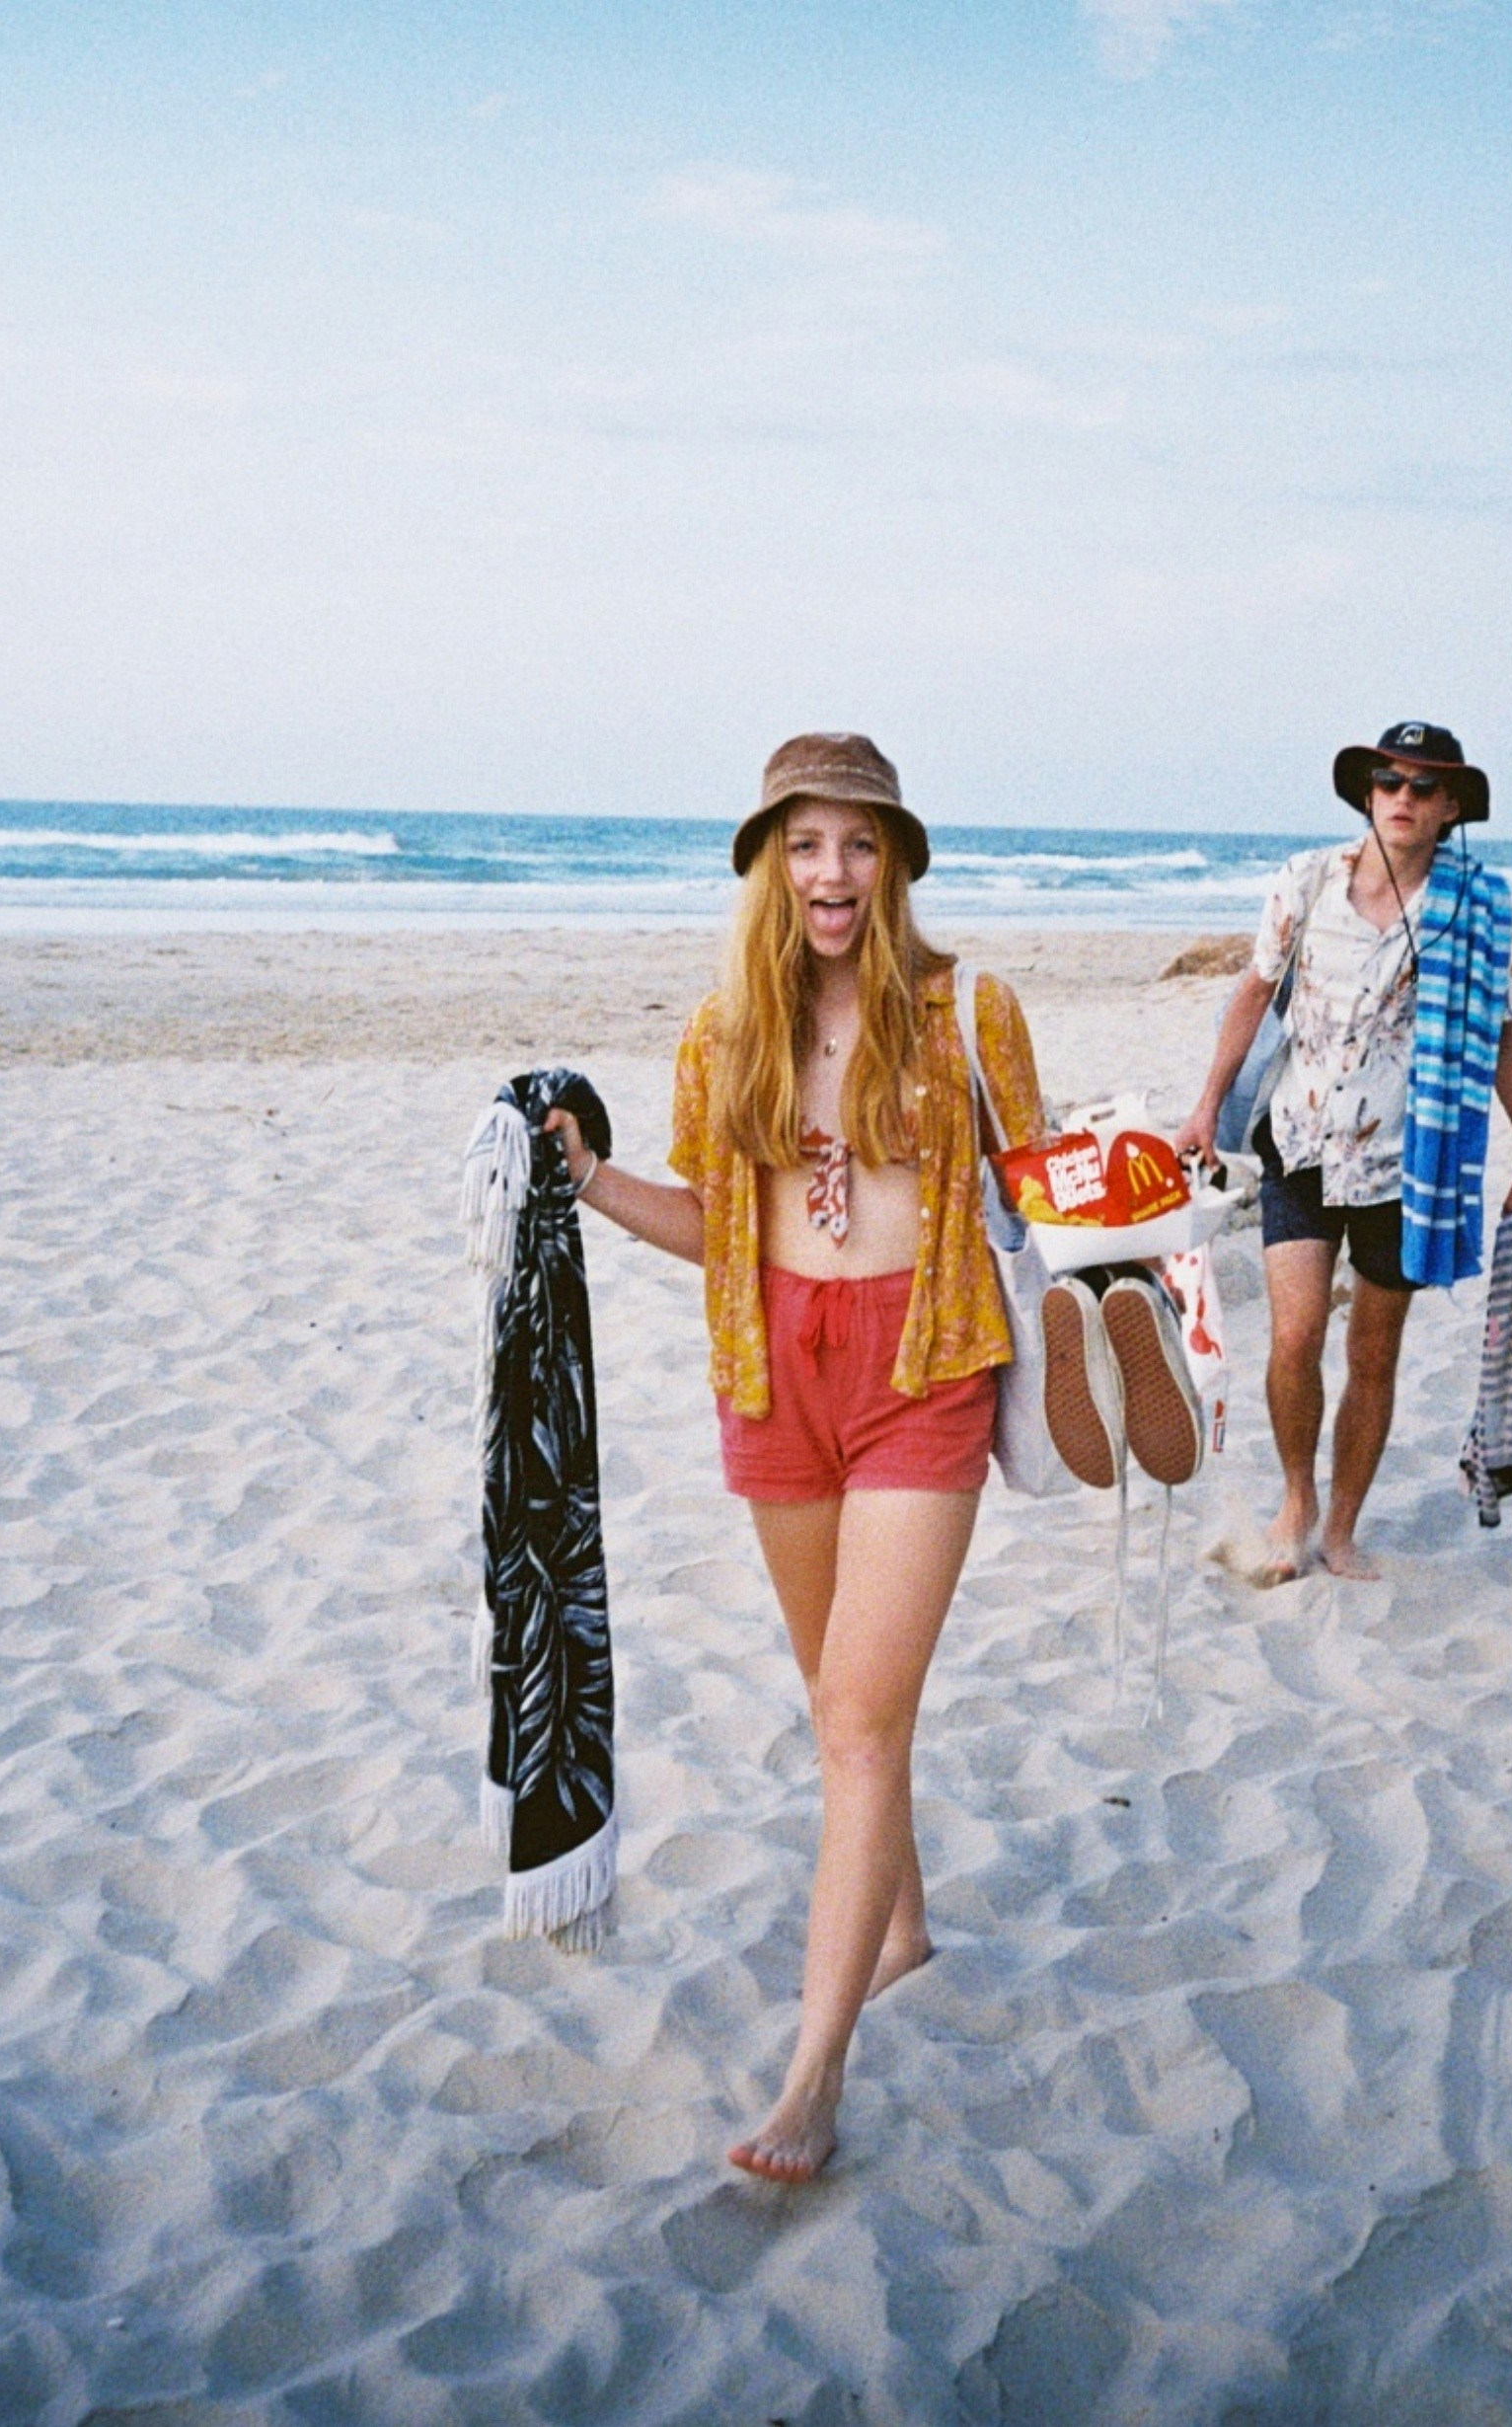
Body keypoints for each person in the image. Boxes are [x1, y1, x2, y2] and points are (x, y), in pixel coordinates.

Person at [548, 732, 1040, 2180]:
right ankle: (901, 1923)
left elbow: (1042, 1184)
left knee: (856, 1721)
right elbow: (721, 1221)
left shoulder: (969, 1011)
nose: (833, 869)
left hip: (922, 1367)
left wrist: (1155, 1213)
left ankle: (812, 2074)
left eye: (860, 842)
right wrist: (584, 1179)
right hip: (773, 1378)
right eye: (807, 843)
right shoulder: (723, 1033)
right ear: (771, 864)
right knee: (840, 1696)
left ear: (894, 863)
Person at [1172, 721, 1512, 1581]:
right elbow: (1252, 991)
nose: (1403, 798)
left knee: (1372, 1354)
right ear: (1368, 793)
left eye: (1423, 787)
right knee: (1296, 1335)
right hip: (1301, 1142)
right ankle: (1296, 1495)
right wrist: (1203, 1108)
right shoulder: (1306, 882)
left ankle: (1341, 1525)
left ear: (1451, 806)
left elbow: (1498, 1030)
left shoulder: (1473, 906)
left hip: (1405, 1163)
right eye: (1389, 781)